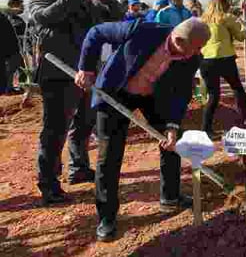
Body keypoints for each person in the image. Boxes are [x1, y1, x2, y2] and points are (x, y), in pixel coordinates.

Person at [74, 18, 210, 241]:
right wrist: (86, 68)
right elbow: (95, 32)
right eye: (196, 48)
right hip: (115, 92)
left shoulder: (192, 57)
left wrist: (172, 126)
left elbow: (181, 93)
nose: (199, 52)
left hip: (152, 97)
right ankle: (107, 217)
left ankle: (170, 195)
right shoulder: (141, 29)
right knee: (109, 154)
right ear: (178, 40)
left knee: (172, 142)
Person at [29, 0, 123, 205]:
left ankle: (78, 168)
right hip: (58, 75)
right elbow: (44, 18)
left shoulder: (89, 4)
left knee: (83, 124)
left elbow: (116, 18)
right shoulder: (43, 0)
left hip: (87, 74)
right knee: (55, 130)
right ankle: (48, 184)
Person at [199, 0, 246, 136]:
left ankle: (206, 128)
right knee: (237, 88)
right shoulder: (227, 17)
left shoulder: (202, 20)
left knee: (213, 95)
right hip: (225, 59)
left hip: (206, 60)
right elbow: (241, 36)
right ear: (224, 5)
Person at [5, 0, 27, 91]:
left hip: (17, 49)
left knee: (21, 68)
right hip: (11, 50)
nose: (23, 7)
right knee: (12, 69)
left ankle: (20, 86)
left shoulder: (17, 19)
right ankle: (8, 88)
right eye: (21, 5)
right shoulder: (11, 19)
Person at [0, 12, 19, 95]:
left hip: (8, 50)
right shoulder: (3, 18)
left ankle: (7, 88)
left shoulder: (3, 18)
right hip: (9, 50)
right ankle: (7, 88)